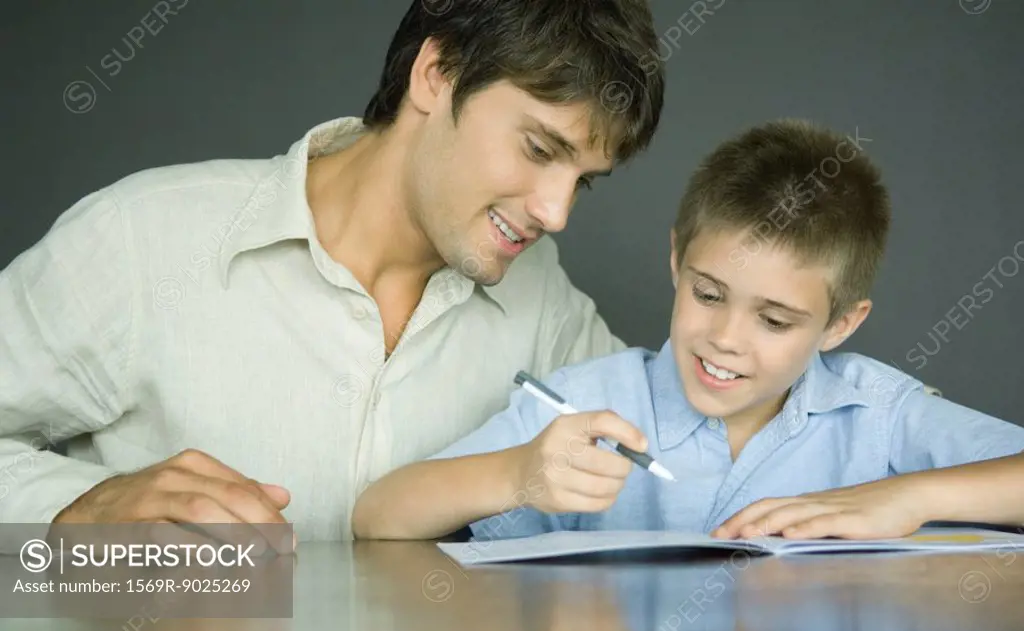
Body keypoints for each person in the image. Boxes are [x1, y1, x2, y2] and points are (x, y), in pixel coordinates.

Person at [0, 0, 665, 546]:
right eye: (538, 148)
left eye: (583, 182)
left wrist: (768, 502)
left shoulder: (541, 296)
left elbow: (674, 452)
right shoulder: (142, 237)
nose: (555, 212)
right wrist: (76, 512)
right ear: (437, 73)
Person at [352, 119, 1024, 542]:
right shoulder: (586, 402)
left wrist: (905, 497)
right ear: (677, 259)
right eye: (707, 293)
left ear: (841, 323)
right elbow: (379, 514)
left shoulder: (877, 416)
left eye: (773, 319)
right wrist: (518, 474)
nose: (725, 337)